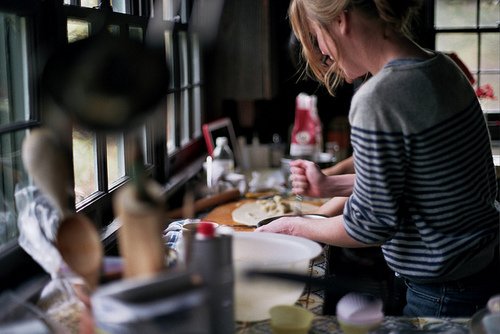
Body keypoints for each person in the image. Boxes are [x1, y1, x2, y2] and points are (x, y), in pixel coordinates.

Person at [256, 0, 500, 317]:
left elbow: (370, 226)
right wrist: (330, 185)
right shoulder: (442, 67)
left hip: (443, 292)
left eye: (318, 36)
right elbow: (419, 180)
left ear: (341, 20)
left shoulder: (379, 98)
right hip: (480, 272)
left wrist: (296, 227)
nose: (324, 53)